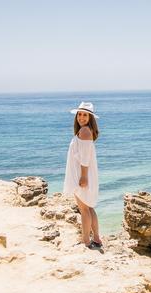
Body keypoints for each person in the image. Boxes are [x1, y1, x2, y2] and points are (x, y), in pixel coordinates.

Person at [63, 101, 102, 249]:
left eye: (85, 115)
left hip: (82, 175)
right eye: (80, 114)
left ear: (90, 117)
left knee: (84, 209)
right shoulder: (85, 131)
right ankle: (97, 238)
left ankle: (86, 240)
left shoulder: (85, 132)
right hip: (84, 174)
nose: (81, 117)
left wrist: (83, 177)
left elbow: (84, 158)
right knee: (89, 207)